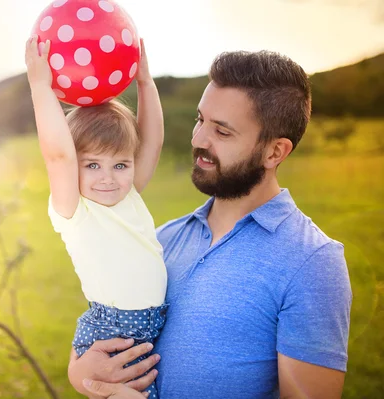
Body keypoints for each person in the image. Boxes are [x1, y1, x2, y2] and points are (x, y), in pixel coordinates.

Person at [68, 50, 353, 399]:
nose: (198, 140)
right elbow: (99, 329)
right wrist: (81, 372)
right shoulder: (164, 237)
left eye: (222, 131)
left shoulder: (313, 261)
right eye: (200, 120)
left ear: (275, 152)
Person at [25, 35, 168, 398]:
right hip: (115, 333)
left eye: (120, 164)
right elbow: (59, 155)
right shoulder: (74, 210)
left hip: (148, 327)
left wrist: (145, 81)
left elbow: (151, 142)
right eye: (92, 164)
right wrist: (40, 87)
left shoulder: (128, 194)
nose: (108, 177)